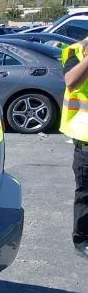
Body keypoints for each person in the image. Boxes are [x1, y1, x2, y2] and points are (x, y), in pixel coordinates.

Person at [61, 37, 88, 257]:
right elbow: (71, 80)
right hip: (85, 140)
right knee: (86, 194)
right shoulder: (75, 52)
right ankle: (82, 240)